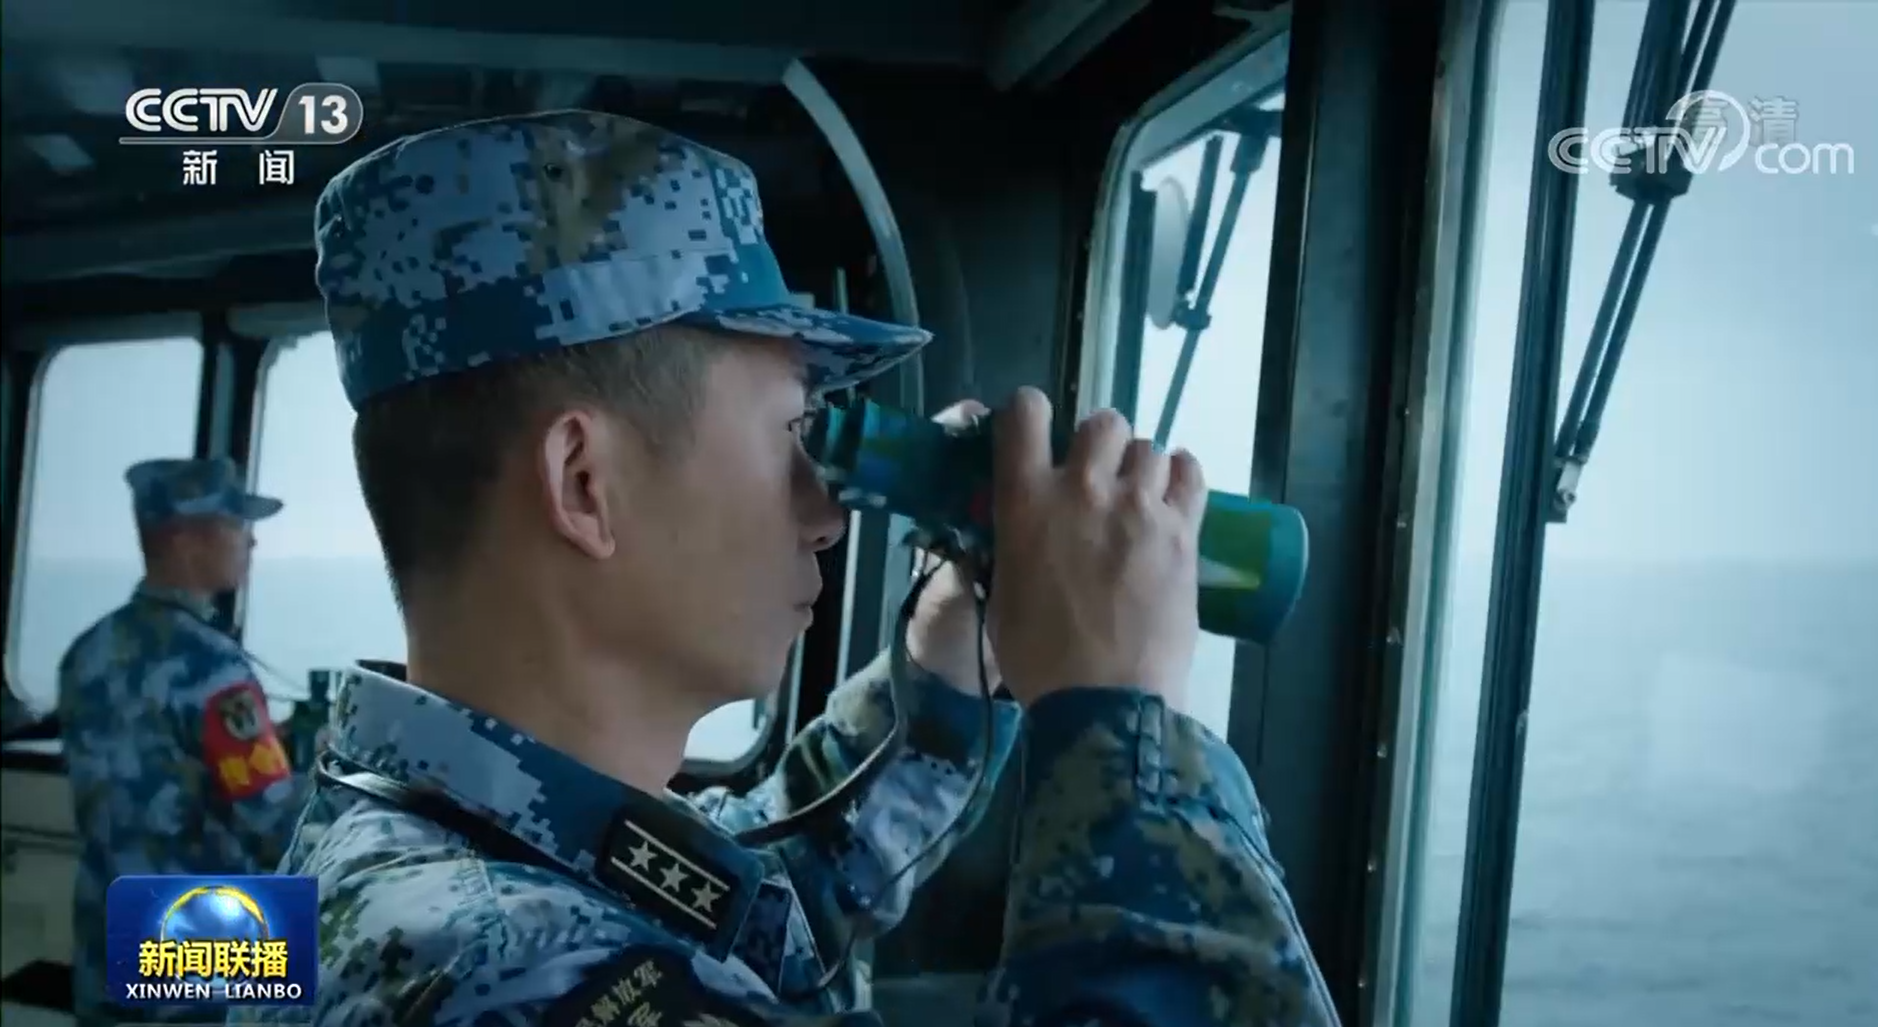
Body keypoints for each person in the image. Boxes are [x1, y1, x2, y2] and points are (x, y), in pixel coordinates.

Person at [236, 111, 1337, 1027]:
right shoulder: (515, 971)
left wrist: (946, 662)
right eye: (791, 434)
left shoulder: (423, 846)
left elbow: (745, 906)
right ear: (584, 484)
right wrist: (1123, 723)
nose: (827, 511)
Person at [58, 457, 309, 1027]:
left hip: (106, 934)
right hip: (195, 946)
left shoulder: (87, 652)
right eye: (236, 524)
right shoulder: (211, 666)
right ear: (186, 539)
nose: (251, 540)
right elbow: (273, 825)